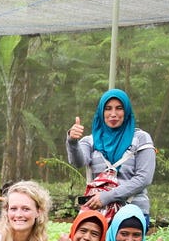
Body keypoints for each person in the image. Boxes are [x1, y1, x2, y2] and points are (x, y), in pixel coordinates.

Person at [67, 89, 156, 223]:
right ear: (101, 112)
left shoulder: (141, 139)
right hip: (98, 214)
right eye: (108, 109)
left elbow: (144, 178)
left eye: (119, 108)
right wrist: (72, 141)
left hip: (132, 214)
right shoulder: (91, 141)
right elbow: (78, 162)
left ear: (126, 111)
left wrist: (107, 197)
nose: (113, 114)